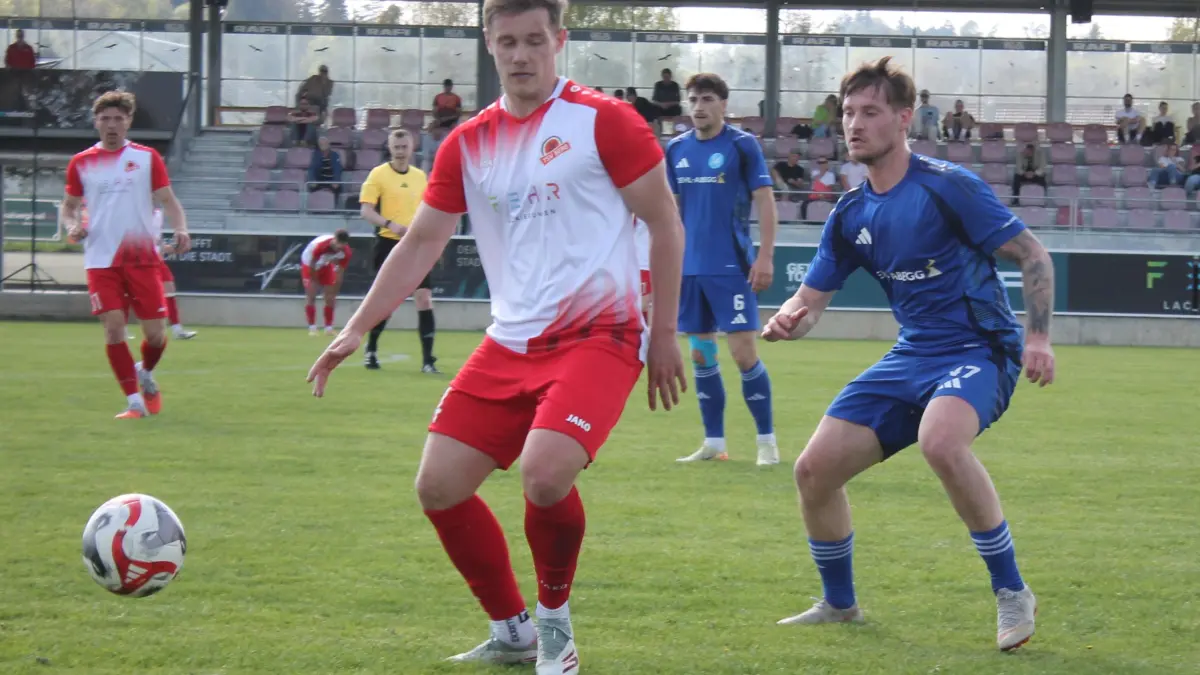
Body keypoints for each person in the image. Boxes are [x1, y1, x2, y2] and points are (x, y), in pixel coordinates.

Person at [306, 1, 687, 672]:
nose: (520, 54)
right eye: (507, 41)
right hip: (510, 341)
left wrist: (663, 334)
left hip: (600, 333)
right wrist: (356, 327)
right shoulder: (467, 143)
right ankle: (512, 631)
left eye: (534, 40)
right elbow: (421, 240)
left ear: (559, 41)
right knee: (438, 487)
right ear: (489, 44)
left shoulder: (605, 121)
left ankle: (555, 627)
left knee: (544, 473)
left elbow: (664, 221)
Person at [764, 57, 1054, 652]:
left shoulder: (947, 187)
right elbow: (810, 300)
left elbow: (1033, 255)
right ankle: (840, 605)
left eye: (870, 111)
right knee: (813, 471)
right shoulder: (850, 213)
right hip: (912, 354)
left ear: (903, 119)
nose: (855, 123)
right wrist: (791, 317)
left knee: (940, 442)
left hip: (980, 348)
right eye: (849, 112)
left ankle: (1012, 591)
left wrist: (1038, 337)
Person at [666, 72, 781, 466]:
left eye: (707, 99)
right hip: (689, 269)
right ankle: (714, 442)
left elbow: (765, 201)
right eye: (694, 99)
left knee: (743, 354)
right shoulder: (676, 149)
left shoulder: (741, 145)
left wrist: (765, 256)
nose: (699, 107)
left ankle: (766, 442)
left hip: (731, 266)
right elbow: (671, 212)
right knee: (701, 356)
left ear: (723, 104)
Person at [61, 91, 192, 420]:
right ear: (96, 122)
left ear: (128, 121)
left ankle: (144, 372)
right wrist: (72, 225)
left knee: (156, 335)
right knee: (114, 327)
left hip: (141, 258)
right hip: (100, 260)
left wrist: (181, 229)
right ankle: (134, 402)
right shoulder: (81, 162)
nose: (112, 125)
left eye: (118, 119)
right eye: (105, 119)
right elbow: (69, 206)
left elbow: (168, 200)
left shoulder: (146, 158)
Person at [358, 129, 439, 372]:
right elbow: (366, 211)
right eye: (396, 147)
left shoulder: (419, 177)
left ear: (412, 148)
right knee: (387, 303)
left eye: (404, 147)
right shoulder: (378, 174)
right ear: (390, 148)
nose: (400, 152)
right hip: (388, 244)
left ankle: (428, 361)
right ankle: (371, 349)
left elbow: (427, 208)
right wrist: (390, 224)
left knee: (424, 298)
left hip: (416, 245)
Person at [301, 229, 353, 335]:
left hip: (325, 264)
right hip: (309, 264)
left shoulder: (346, 252)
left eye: (342, 245)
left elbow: (340, 272)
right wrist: (315, 281)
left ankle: (328, 328)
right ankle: (312, 328)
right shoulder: (321, 246)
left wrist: (335, 290)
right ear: (334, 239)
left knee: (330, 298)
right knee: (311, 295)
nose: (339, 247)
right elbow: (312, 264)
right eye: (338, 243)